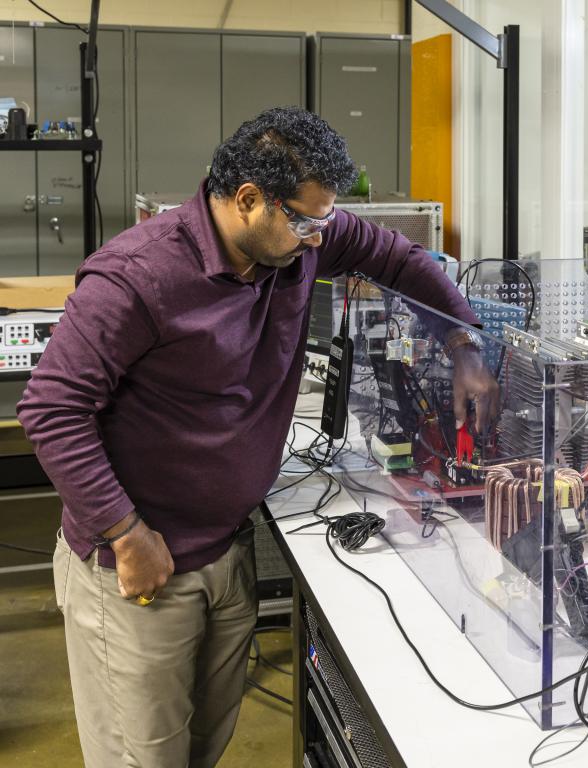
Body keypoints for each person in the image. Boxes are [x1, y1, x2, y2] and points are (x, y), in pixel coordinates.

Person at [17, 106, 498, 768]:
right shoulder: (138, 277)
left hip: (227, 549)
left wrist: (462, 338)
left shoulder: (301, 238)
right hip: (138, 566)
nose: (316, 238)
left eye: (324, 222)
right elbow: (51, 409)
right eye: (304, 221)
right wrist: (126, 534)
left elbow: (401, 258)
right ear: (248, 200)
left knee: (202, 747)